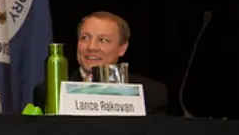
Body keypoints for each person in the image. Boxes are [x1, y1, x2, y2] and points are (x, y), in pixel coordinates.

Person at [31, 11, 169, 114]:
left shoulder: (150, 93)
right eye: (85, 38)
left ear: (122, 48)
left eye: (103, 40)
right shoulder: (49, 92)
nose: (91, 47)